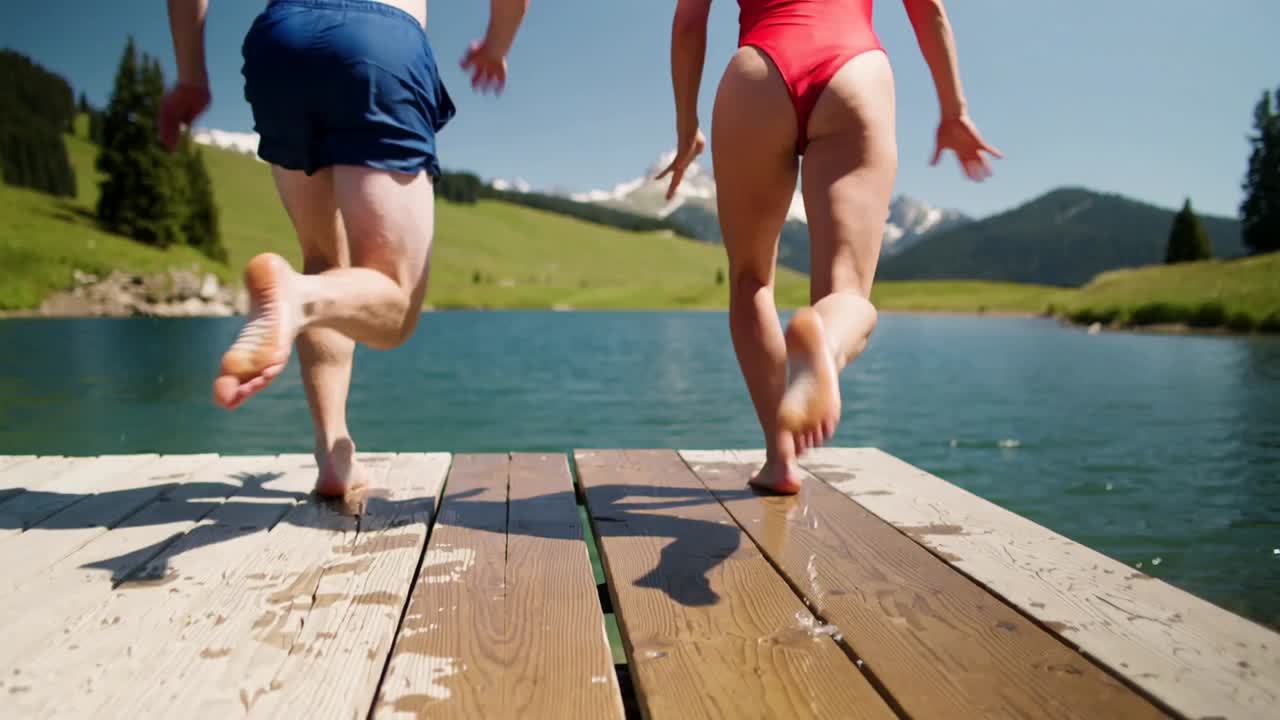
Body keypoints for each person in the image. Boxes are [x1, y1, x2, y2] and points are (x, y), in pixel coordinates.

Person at [159, 0, 529, 495]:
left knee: (323, 264)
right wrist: (494, 46)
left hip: (280, 42)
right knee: (393, 303)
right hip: (376, 40)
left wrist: (191, 76)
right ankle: (296, 298)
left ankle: (333, 454)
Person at [659, 0, 1000, 494]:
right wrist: (953, 110)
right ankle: (824, 339)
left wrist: (687, 126)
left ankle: (780, 461)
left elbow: (689, 23)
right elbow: (929, 11)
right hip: (854, 69)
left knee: (750, 280)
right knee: (847, 291)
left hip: (757, 71)